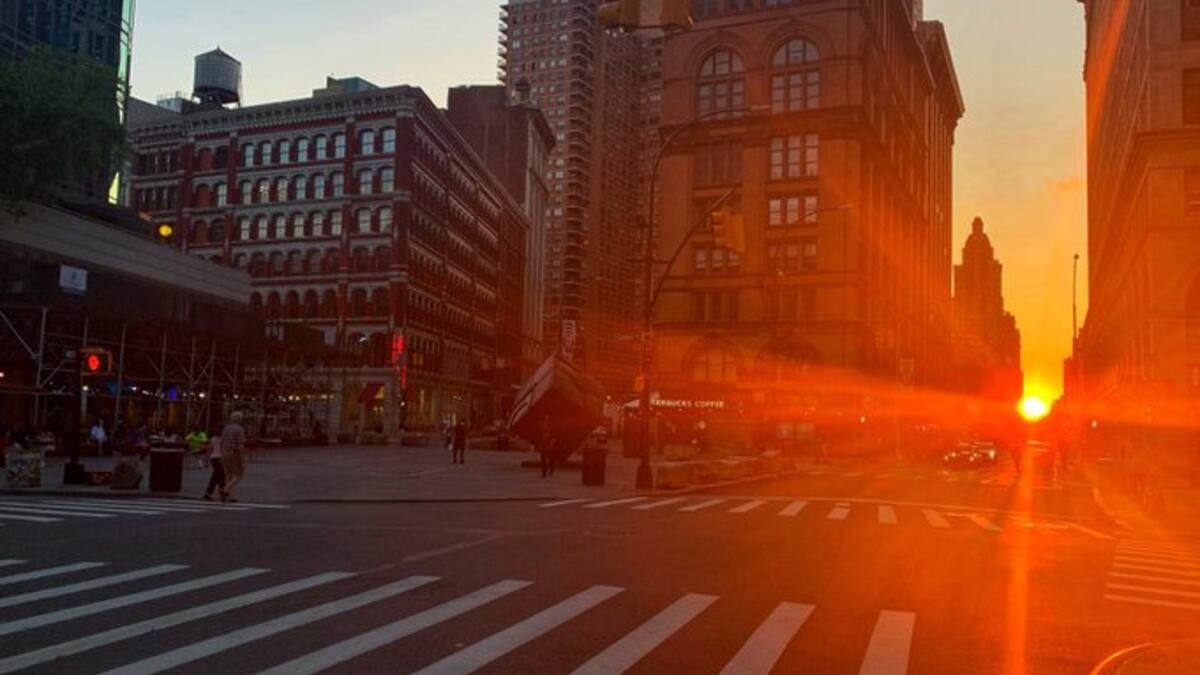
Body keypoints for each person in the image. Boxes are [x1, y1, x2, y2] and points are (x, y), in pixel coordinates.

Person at [220, 412, 247, 502]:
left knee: (229, 474)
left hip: (225, 452)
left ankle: (231, 496)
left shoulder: (226, 428)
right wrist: (242, 457)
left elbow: (222, 441)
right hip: (234, 453)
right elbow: (240, 445)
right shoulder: (240, 429)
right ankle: (225, 489)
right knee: (239, 474)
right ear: (239, 419)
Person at [203, 426, 226, 501]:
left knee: (216, 475)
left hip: (213, 458)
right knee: (221, 475)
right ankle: (221, 491)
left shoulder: (213, 439)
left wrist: (206, 460)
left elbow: (209, 450)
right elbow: (223, 450)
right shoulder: (223, 439)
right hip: (220, 458)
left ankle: (209, 493)